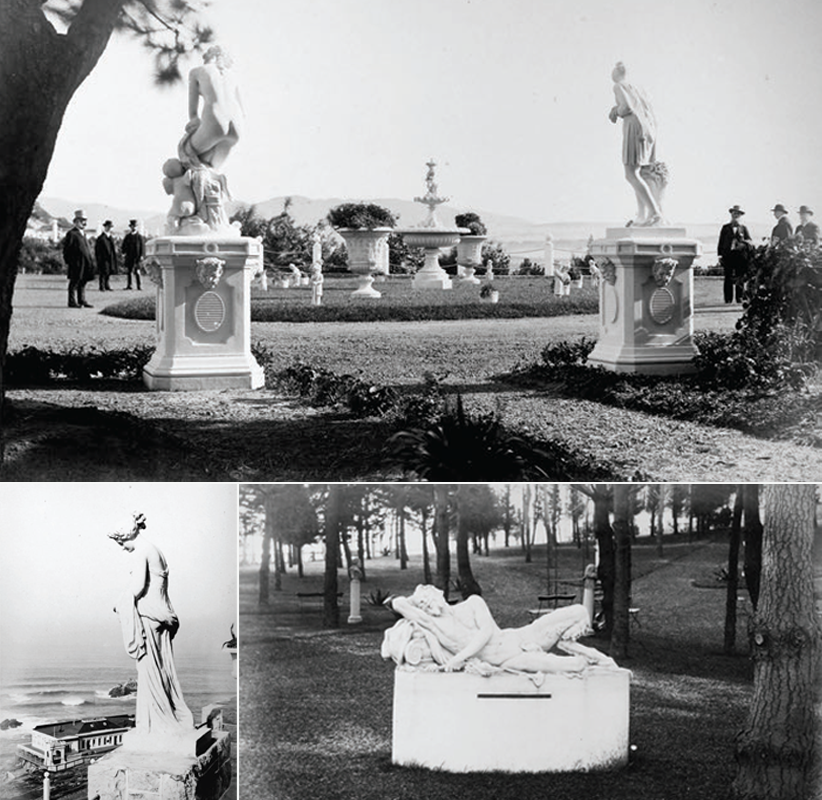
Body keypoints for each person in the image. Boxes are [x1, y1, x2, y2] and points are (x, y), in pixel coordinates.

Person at [383, 584, 615, 675]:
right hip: (512, 659)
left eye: (429, 597)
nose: (429, 604)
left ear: (439, 593)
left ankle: (568, 643)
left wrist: (459, 658)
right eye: (423, 603)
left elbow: (485, 634)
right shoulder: (435, 624)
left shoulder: (473, 602)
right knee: (574, 666)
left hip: (521, 636)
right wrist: (411, 600)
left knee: (578, 612)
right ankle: (592, 659)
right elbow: (397, 603)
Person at [109, 513, 194, 740]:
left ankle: (155, 726)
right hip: (162, 613)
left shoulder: (141, 551)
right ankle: (155, 722)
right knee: (160, 668)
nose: (122, 547)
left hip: (150, 614)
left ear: (128, 534)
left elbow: (137, 588)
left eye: (121, 542)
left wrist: (119, 603)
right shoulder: (154, 550)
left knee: (149, 671)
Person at [609, 62, 662, 227]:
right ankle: (644, 215)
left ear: (616, 73)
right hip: (646, 130)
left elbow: (626, 108)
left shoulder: (618, 86)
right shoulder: (637, 88)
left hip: (634, 128)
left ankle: (654, 212)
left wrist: (615, 111)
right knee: (636, 173)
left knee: (630, 173)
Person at [179, 45, 243, 171]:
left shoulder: (197, 71)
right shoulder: (233, 76)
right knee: (212, 170)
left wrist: (194, 123)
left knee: (186, 150)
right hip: (238, 125)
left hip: (216, 120)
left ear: (208, 56)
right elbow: (243, 110)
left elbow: (193, 114)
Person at [717, 205, 752, 304]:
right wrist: (720, 255)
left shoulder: (743, 228)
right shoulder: (725, 228)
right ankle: (728, 299)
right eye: (734, 213)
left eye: (737, 214)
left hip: (740, 256)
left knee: (739, 277)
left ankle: (739, 297)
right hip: (728, 256)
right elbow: (721, 242)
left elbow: (750, 241)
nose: (735, 215)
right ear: (731, 214)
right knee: (728, 277)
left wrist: (743, 243)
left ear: (740, 215)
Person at [62, 209, 95, 308]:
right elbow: (67, 249)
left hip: (85, 262)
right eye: (81, 220)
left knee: (83, 281)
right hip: (76, 263)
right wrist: (69, 261)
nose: (84, 223)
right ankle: (71, 302)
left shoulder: (83, 234)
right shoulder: (71, 234)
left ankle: (82, 300)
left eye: (85, 221)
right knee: (74, 282)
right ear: (76, 222)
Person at [94, 220, 118, 291]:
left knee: (108, 272)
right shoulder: (101, 238)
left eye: (110, 227)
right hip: (103, 258)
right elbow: (97, 250)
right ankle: (101, 286)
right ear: (105, 227)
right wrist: (99, 258)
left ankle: (107, 285)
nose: (109, 228)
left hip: (110, 258)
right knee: (103, 272)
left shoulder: (110, 237)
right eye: (108, 227)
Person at [122, 219, 144, 290]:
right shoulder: (128, 236)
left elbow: (142, 247)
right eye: (132, 226)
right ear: (130, 227)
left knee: (137, 271)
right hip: (129, 256)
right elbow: (124, 246)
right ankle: (129, 285)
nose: (133, 228)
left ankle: (139, 285)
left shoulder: (139, 237)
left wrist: (141, 255)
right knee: (129, 271)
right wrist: (124, 253)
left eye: (135, 226)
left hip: (137, 257)